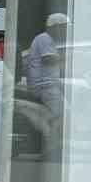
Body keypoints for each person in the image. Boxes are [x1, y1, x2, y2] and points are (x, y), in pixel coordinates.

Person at [22, 12, 68, 144]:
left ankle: (51, 143)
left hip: (46, 85)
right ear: (56, 26)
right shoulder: (44, 38)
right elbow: (48, 59)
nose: (66, 31)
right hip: (44, 86)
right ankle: (51, 145)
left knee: (56, 115)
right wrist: (68, 57)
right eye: (64, 27)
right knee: (64, 113)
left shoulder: (47, 39)